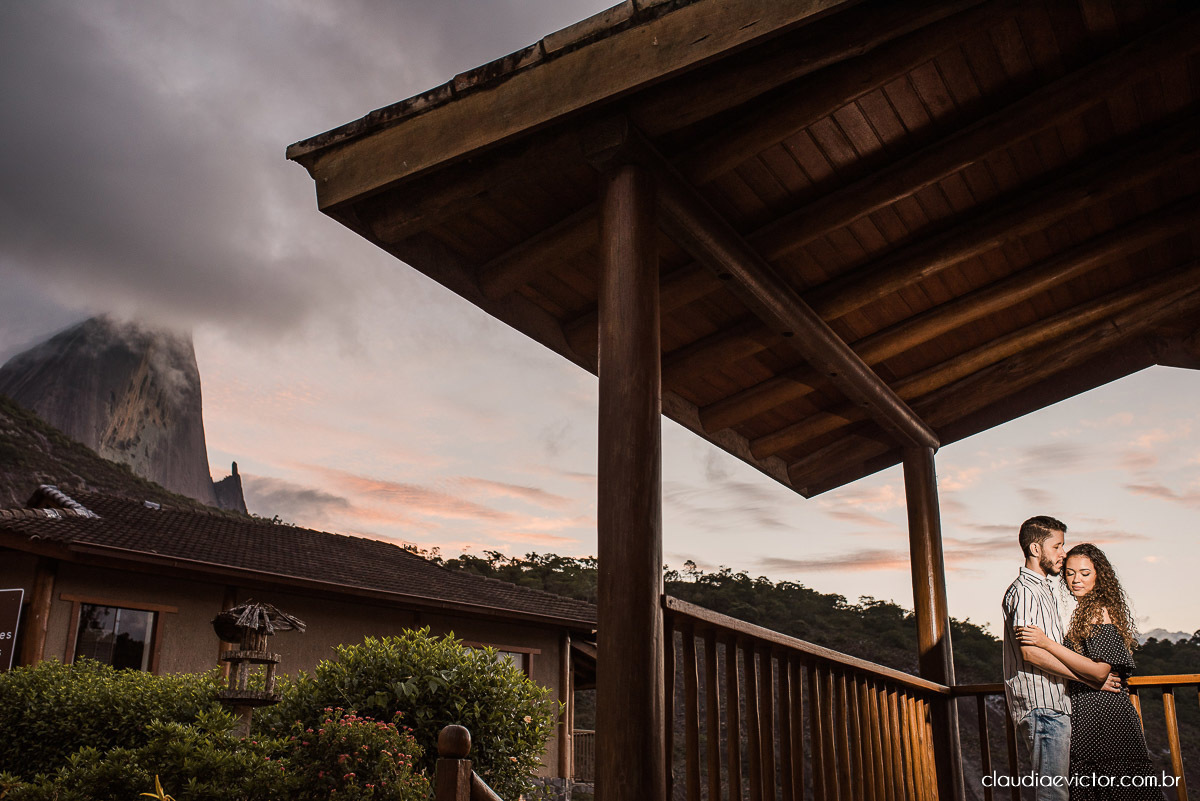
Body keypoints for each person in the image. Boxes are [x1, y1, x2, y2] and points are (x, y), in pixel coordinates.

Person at [1016, 544, 1164, 801]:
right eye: (1070, 573)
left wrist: (1045, 642)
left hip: (1105, 713)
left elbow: (1099, 672)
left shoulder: (1098, 610)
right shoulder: (1085, 611)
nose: (1076, 580)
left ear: (1099, 575)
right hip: (1090, 708)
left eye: (1085, 573)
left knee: (1114, 788)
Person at [1002, 517, 1121, 801]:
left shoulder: (1044, 589)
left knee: (1058, 791)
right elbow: (1031, 653)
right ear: (1035, 548)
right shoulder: (1026, 591)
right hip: (1042, 705)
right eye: (1057, 546)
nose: (1062, 553)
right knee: (1053, 793)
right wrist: (1091, 679)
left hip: (1054, 704)